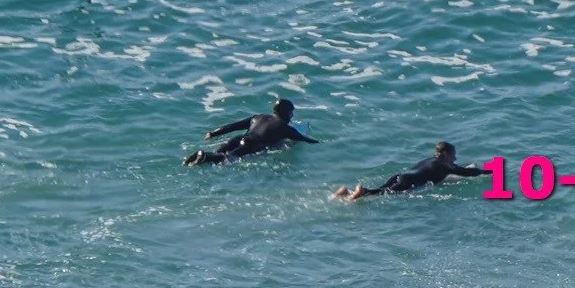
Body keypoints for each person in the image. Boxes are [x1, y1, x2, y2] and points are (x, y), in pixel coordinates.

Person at [187, 98, 316, 166]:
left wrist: (213, 133)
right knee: (227, 158)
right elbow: (305, 139)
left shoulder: (258, 117)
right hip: (251, 145)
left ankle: (199, 157)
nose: (292, 115)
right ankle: (204, 156)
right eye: (291, 112)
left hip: (239, 138)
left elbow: (234, 126)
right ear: (287, 112)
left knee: (219, 152)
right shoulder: (285, 128)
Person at [333, 142, 486, 199]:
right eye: (453, 155)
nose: (455, 159)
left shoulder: (430, 160)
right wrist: (491, 171)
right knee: (382, 194)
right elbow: (468, 173)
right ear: (445, 154)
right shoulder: (444, 165)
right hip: (410, 182)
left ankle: (347, 191)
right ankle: (360, 192)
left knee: (381, 190)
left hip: (401, 176)